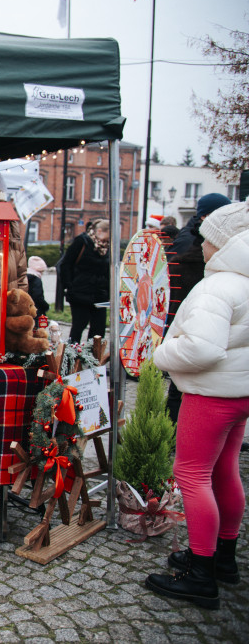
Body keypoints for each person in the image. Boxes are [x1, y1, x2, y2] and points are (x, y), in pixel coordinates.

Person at [145, 198, 249, 610]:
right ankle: (224, 557)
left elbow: (202, 348)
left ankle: (202, 574)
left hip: (211, 394)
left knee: (191, 474)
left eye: (206, 239)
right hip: (239, 392)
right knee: (225, 470)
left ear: (222, 244)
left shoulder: (217, 287)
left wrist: (161, 354)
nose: (201, 245)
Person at [164, 193, 231, 423]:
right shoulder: (191, 246)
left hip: (203, 333)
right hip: (189, 329)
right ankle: (174, 431)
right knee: (182, 388)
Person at [59, 219, 110, 344]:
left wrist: (108, 291)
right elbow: (66, 264)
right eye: (109, 234)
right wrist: (70, 285)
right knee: (78, 326)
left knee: (99, 330)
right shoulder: (82, 241)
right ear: (99, 231)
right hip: (80, 292)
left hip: (100, 294)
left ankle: (94, 354)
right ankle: (73, 352)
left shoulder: (108, 246)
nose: (109, 238)